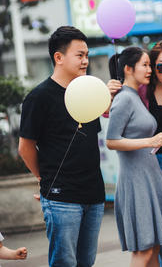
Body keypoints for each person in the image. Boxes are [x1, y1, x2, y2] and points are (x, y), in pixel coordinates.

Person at [18, 26, 105, 267]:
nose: (85, 61)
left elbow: (89, 142)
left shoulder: (88, 92)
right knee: (65, 263)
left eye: (87, 55)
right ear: (59, 57)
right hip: (61, 198)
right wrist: (44, 178)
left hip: (94, 195)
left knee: (86, 262)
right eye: (80, 55)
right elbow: (25, 147)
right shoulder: (39, 97)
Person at [106, 47, 162, 267]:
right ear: (128, 69)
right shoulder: (124, 99)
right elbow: (111, 140)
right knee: (144, 249)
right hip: (136, 181)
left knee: (154, 246)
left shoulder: (135, 97)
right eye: (145, 65)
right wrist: (150, 141)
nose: (150, 69)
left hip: (149, 177)